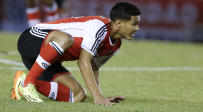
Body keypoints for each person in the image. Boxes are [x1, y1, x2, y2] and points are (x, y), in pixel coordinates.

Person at [11, 2, 141, 105]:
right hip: (32, 38)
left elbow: (93, 66)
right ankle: (29, 83)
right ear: (118, 23)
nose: (137, 28)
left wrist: (100, 96)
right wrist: (96, 95)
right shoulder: (99, 27)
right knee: (65, 39)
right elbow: (83, 61)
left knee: (78, 95)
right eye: (134, 24)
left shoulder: (116, 44)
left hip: (46, 60)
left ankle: (22, 84)